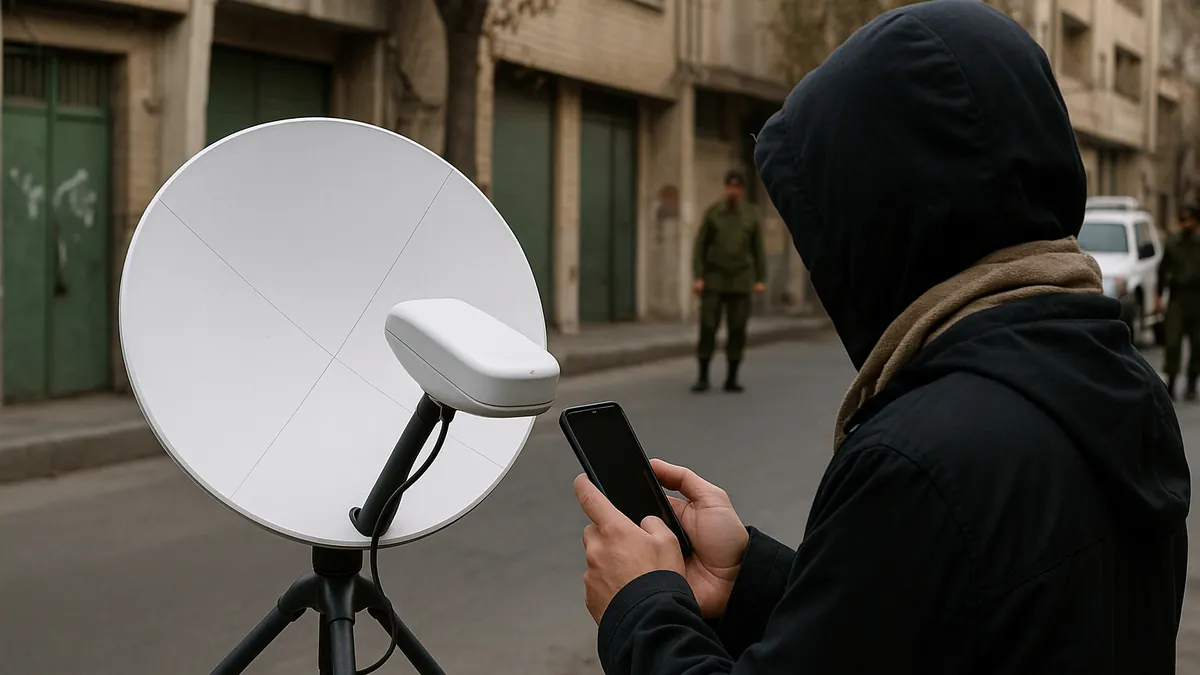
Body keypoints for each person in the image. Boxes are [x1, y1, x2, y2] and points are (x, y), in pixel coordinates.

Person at [572, 1, 1189, 673]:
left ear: (880, 213)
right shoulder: (1116, 383)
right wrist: (748, 575)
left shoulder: (922, 460)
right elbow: (933, 619)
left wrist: (639, 605)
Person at [690, 171, 767, 393]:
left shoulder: (750, 215)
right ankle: (702, 375)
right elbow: (700, 247)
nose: (731, 190)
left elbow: (757, 249)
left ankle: (732, 377)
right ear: (725, 189)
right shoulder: (714, 214)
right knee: (707, 327)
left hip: (741, 280)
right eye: (728, 187)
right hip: (714, 279)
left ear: (741, 190)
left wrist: (760, 278)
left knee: (737, 329)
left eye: (736, 187)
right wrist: (698, 276)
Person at [1157, 204, 1200, 401]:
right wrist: (1158, 297)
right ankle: (1172, 381)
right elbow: (1162, 271)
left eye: (1190, 220)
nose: (1186, 224)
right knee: (1172, 342)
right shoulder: (1172, 243)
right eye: (1183, 220)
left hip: (1197, 298)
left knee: (1197, 344)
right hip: (1177, 298)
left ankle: (1192, 383)